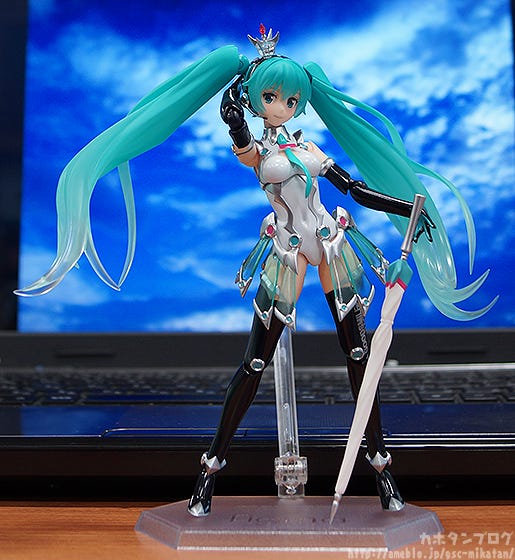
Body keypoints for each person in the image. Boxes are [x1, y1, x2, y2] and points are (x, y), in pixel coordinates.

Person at [16, 26, 495, 517]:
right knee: (255, 362)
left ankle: (381, 467)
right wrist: (232, 114)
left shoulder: (309, 150)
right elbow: (243, 142)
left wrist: (405, 208)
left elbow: (353, 189)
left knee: (359, 354)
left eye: (291, 99)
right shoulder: (259, 152)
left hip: (331, 243)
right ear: (255, 98)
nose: (282, 106)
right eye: (271, 97)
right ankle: (209, 470)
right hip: (286, 250)